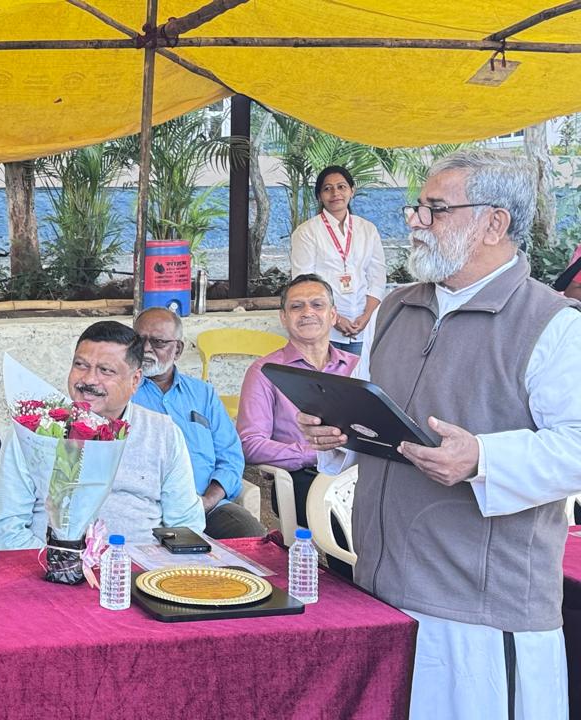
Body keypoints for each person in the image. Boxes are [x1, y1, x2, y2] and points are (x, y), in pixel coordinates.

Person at [298, 150, 581, 719]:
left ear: (494, 224)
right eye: (417, 207)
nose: (415, 221)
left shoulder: (554, 325)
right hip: (380, 590)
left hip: (480, 614)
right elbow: (365, 418)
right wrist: (333, 433)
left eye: (435, 209)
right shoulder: (395, 309)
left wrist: (482, 458)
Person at [0, 321, 204, 549]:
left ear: (135, 380)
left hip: (139, 564)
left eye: (105, 370)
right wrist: (62, 563)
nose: (89, 379)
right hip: (49, 563)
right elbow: (5, 529)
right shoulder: (34, 430)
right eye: (80, 365)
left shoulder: (162, 433)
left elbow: (186, 525)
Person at [236, 275, 358, 538]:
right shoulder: (266, 371)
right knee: (349, 521)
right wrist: (317, 454)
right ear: (283, 317)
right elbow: (250, 444)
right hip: (305, 477)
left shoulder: (357, 367)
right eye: (296, 306)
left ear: (333, 315)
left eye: (317, 305)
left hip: (360, 473)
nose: (307, 312)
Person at [132, 307, 264, 538]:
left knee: (250, 535)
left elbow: (230, 457)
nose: (146, 349)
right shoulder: (122, 392)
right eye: (139, 340)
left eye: (158, 342)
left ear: (178, 349)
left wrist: (208, 501)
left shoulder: (203, 394)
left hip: (205, 506)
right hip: (145, 508)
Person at [289, 165, 386, 354]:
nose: (335, 193)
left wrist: (367, 315)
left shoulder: (368, 229)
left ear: (352, 190)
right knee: (325, 374)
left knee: (359, 373)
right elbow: (303, 283)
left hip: (361, 327)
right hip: (322, 328)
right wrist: (336, 319)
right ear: (319, 196)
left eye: (341, 187)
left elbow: (377, 277)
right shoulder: (307, 232)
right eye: (327, 188)